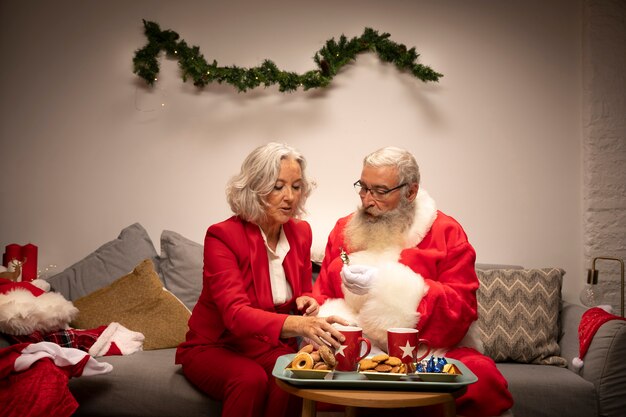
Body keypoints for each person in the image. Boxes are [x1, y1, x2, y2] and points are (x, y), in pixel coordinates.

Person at [313, 146, 514, 417]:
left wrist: (388, 287)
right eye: (363, 188)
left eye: (380, 191)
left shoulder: (446, 232)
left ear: (410, 192)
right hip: (359, 350)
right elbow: (322, 297)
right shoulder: (343, 229)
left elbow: (461, 310)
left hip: (430, 350)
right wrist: (314, 309)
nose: (367, 200)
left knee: (482, 380)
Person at [176, 142, 348, 417]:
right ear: (255, 189)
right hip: (217, 345)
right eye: (278, 186)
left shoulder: (300, 232)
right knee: (249, 380)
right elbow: (234, 313)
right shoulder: (222, 236)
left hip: (266, 345)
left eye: (296, 186)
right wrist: (298, 324)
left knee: (290, 376)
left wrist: (309, 302)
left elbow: (304, 291)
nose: (290, 197)